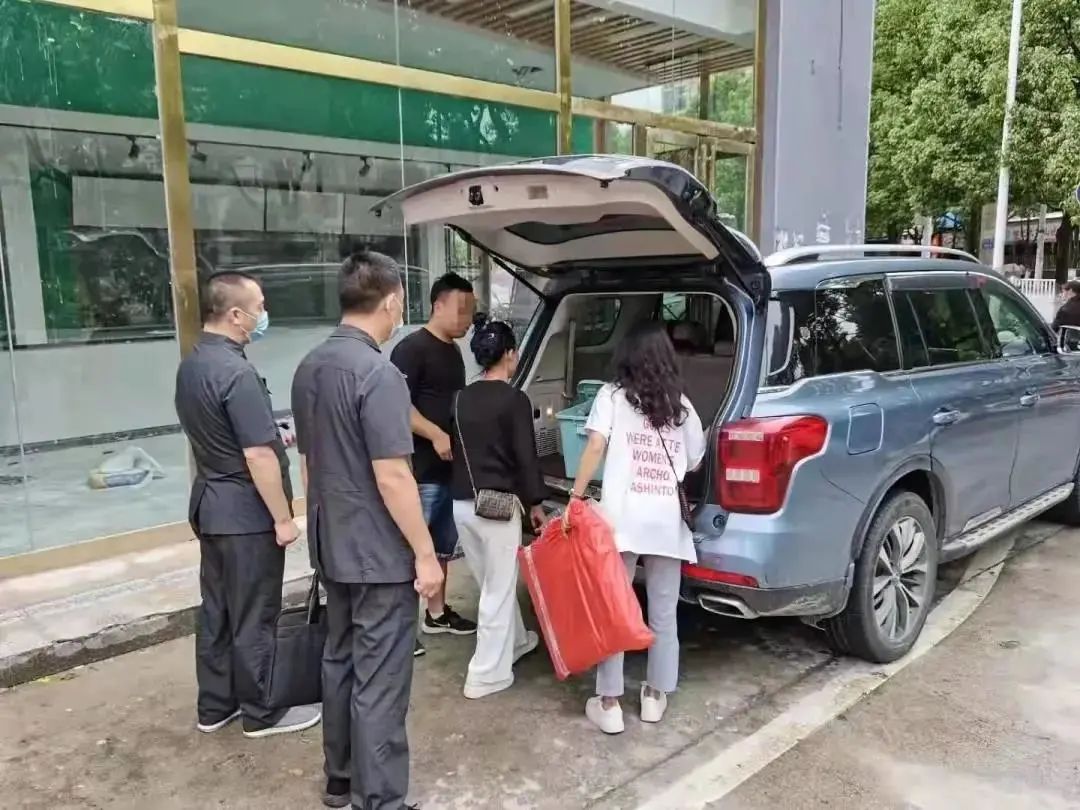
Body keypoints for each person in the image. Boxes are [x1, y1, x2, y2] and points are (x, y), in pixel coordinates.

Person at [291, 251, 443, 810]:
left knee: (340, 660)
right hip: (378, 552)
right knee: (380, 678)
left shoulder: (309, 367)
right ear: (391, 301)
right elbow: (393, 474)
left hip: (332, 542)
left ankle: (340, 778)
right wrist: (425, 553)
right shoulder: (378, 374)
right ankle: (379, 798)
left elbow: (309, 465)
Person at [174, 272, 321, 739]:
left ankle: (216, 705)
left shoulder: (193, 364)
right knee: (256, 614)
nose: (264, 314)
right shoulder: (237, 373)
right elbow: (258, 454)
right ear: (236, 315)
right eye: (259, 306)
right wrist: (282, 518)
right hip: (245, 514)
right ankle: (262, 710)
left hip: (211, 507)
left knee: (217, 610)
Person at [570, 321, 706, 735]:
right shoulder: (682, 406)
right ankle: (654, 696)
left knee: (615, 610)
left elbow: (595, 445)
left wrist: (576, 497)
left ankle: (609, 703)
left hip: (622, 520)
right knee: (663, 614)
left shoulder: (611, 396)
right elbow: (695, 461)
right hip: (665, 522)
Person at [450, 316, 547, 699]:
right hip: (498, 508)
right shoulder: (514, 400)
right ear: (509, 354)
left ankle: (517, 641)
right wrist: (535, 503)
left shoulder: (460, 398)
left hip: (463, 505)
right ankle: (485, 675)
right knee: (498, 591)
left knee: (492, 584)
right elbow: (525, 457)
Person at [391, 273, 478, 655]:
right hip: (420, 470)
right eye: (462, 310)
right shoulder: (411, 349)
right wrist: (435, 434)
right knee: (412, 549)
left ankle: (437, 613)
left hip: (450, 471)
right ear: (437, 305)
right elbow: (396, 405)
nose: (468, 320)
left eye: (471, 311)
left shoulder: (454, 351)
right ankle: (400, 629)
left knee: (441, 548)